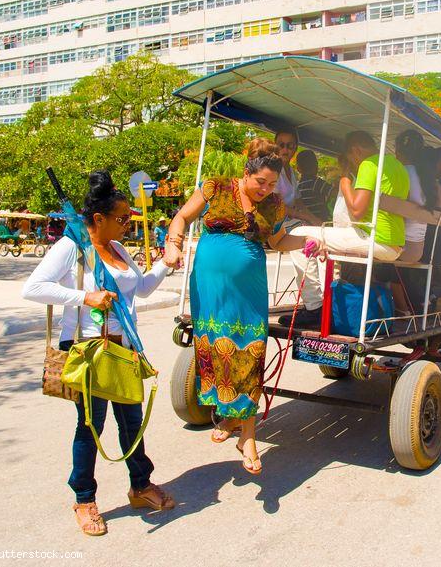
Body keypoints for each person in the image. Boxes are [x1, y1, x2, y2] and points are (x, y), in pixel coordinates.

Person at [22, 170, 177, 537]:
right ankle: (84, 498)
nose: (128, 224)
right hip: (87, 348)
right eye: (121, 219)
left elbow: (139, 291)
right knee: (91, 425)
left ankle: (141, 485)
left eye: (129, 218)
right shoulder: (72, 248)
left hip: (123, 347)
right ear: (98, 219)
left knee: (131, 421)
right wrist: (83, 296)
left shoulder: (120, 249)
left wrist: (165, 265)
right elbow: (33, 288)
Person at [163, 139, 306, 476]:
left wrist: (310, 242)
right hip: (209, 287)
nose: (266, 189)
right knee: (216, 351)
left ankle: (249, 438)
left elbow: (277, 242)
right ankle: (229, 417)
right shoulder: (216, 187)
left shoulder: (274, 205)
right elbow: (181, 217)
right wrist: (173, 244)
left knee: (249, 353)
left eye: (272, 184)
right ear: (246, 173)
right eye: (261, 182)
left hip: (248, 288)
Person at [284, 131, 410, 328]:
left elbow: (357, 211)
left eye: (352, 158)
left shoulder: (370, 164)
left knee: (298, 234)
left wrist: (344, 185)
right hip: (394, 243)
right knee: (322, 241)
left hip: (374, 238)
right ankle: (326, 302)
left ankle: (314, 308)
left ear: (355, 151)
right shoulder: (398, 166)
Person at [396, 130, 441, 264]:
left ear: (398, 152)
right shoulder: (428, 176)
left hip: (401, 247)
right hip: (418, 249)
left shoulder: (402, 172)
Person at [295, 150, 335, 224]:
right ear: (316, 165)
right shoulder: (316, 182)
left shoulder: (298, 186)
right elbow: (334, 193)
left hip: (307, 223)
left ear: (298, 169)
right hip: (320, 222)